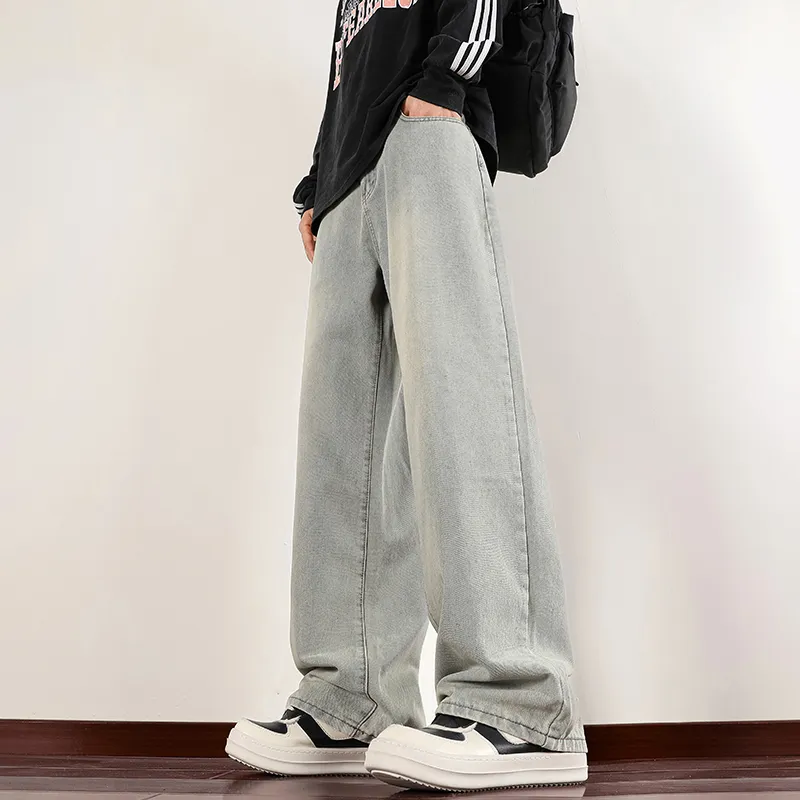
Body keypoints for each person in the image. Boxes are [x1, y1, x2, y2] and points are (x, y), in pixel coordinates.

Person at [226, 0, 589, 791]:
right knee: (339, 439)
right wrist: (319, 175)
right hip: (350, 169)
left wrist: (445, 80)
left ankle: (520, 701)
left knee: (462, 402)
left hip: (427, 128)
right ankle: (350, 696)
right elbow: (350, 57)